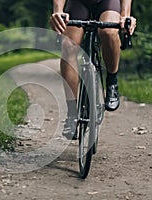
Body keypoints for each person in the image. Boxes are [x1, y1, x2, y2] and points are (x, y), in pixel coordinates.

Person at [50, 0, 136, 138]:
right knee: (68, 46)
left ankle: (112, 82)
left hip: (107, 2)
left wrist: (125, 15)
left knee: (109, 32)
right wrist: (58, 10)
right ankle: (72, 113)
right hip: (79, 3)